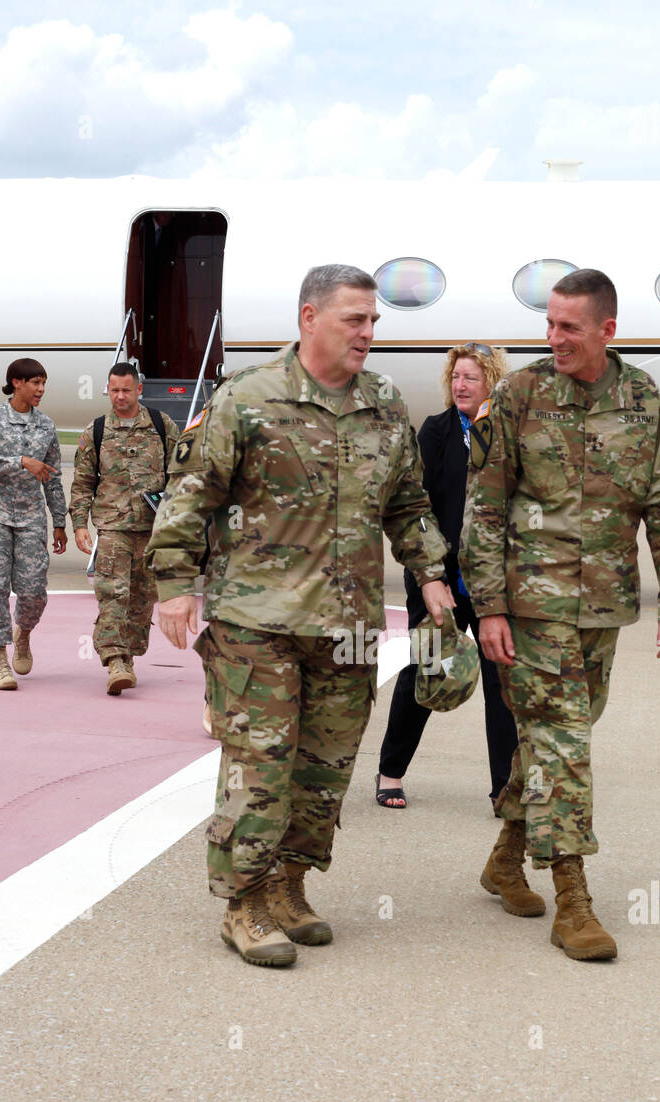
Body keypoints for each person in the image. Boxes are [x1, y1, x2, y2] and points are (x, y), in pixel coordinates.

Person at [146, 264, 453, 970]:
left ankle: (289, 885)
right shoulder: (248, 400)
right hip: (257, 621)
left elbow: (406, 503)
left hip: (346, 627)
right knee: (260, 767)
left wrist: (432, 574)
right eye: (355, 319)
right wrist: (172, 583)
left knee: (325, 770)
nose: (368, 334)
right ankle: (243, 903)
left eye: (374, 321)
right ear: (309, 318)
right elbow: (192, 493)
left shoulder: (383, 403)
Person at [461, 269, 660, 961]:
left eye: (569, 327)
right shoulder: (521, 395)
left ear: (607, 330)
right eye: (550, 323)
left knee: (550, 738)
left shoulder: (641, 396)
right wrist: (491, 608)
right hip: (533, 606)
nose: (554, 337)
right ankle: (574, 898)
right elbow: (485, 507)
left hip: (604, 604)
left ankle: (506, 859)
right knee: (565, 742)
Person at [376, 342, 520, 811]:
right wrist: (429, 574)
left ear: (491, 383)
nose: (460, 385)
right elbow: (415, 506)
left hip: (493, 578)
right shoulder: (435, 432)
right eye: (455, 377)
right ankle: (390, 772)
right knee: (426, 669)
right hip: (439, 572)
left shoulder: (508, 432)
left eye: (470, 378)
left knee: (502, 679)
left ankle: (504, 787)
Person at [70, 364, 179, 694]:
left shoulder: (162, 426)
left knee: (143, 599)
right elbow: (83, 481)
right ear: (108, 390)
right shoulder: (97, 431)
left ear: (138, 391)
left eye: (126, 390)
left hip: (152, 528)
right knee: (113, 594)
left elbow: (180, 474)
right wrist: (79, 524)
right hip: (113, 526)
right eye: (114, 390)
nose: (120, 396)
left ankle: (128, 656)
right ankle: (115, 659)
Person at [0, 358, 68, 690]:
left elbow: (53, 479)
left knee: (34, 592)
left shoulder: (47, 426)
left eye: (44, 383)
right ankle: (0, 662)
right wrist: (21, 462)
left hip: (30, 517)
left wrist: (59, 522)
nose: (41, 390)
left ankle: (23, 632)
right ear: (16, 383)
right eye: (35, 383)